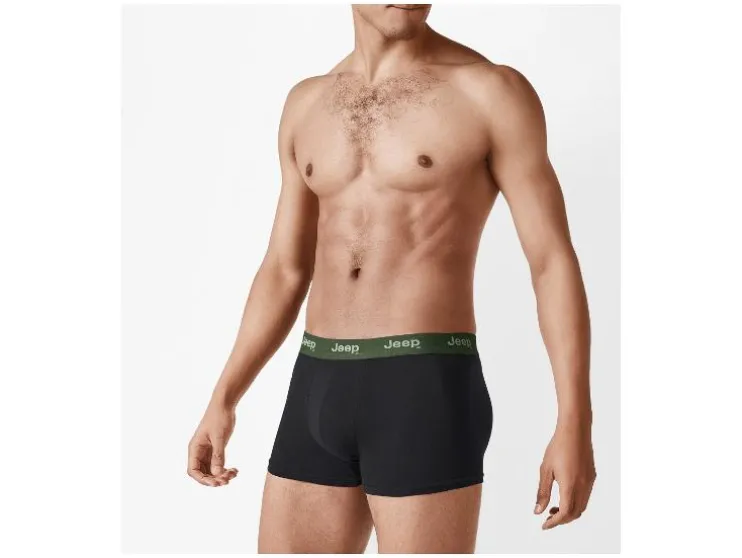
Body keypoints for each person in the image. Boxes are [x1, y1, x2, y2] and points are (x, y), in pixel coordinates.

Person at [187, 4, 596, 553]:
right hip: (317, 381)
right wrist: (224, 396)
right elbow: (285, 268)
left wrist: (575, 421)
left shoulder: (490, 92)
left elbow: (550, 260)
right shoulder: (306, 103)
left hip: (423, 385)